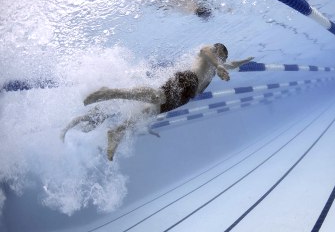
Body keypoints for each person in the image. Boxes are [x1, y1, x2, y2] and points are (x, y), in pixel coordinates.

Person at [62, 43, 254, 161]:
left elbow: (232, 64)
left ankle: (117, 131)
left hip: (185, 97)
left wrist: (244, 61)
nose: (221, 58)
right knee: (156, 97)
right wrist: (219, 65)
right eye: (220, 54)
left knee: (149, 111)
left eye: (222, 57)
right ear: (217, 50)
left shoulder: (217, 66)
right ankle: (110, 92)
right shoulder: (209, 51)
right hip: (187, 79)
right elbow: (208, 53)